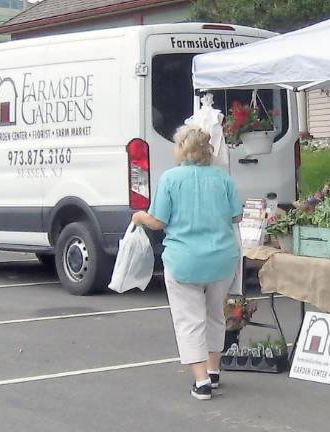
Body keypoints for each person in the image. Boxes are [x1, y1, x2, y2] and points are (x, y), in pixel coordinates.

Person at [132, 125, 242, 401]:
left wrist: (139, 217)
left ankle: (201, 381)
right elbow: (236, 218)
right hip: (221, 258)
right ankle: (214, 371)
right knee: (216, 314)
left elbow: (158, 222)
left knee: (189, 320)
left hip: (184, 261)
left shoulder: (170, 180)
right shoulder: (223, 179)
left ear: (183, 148)